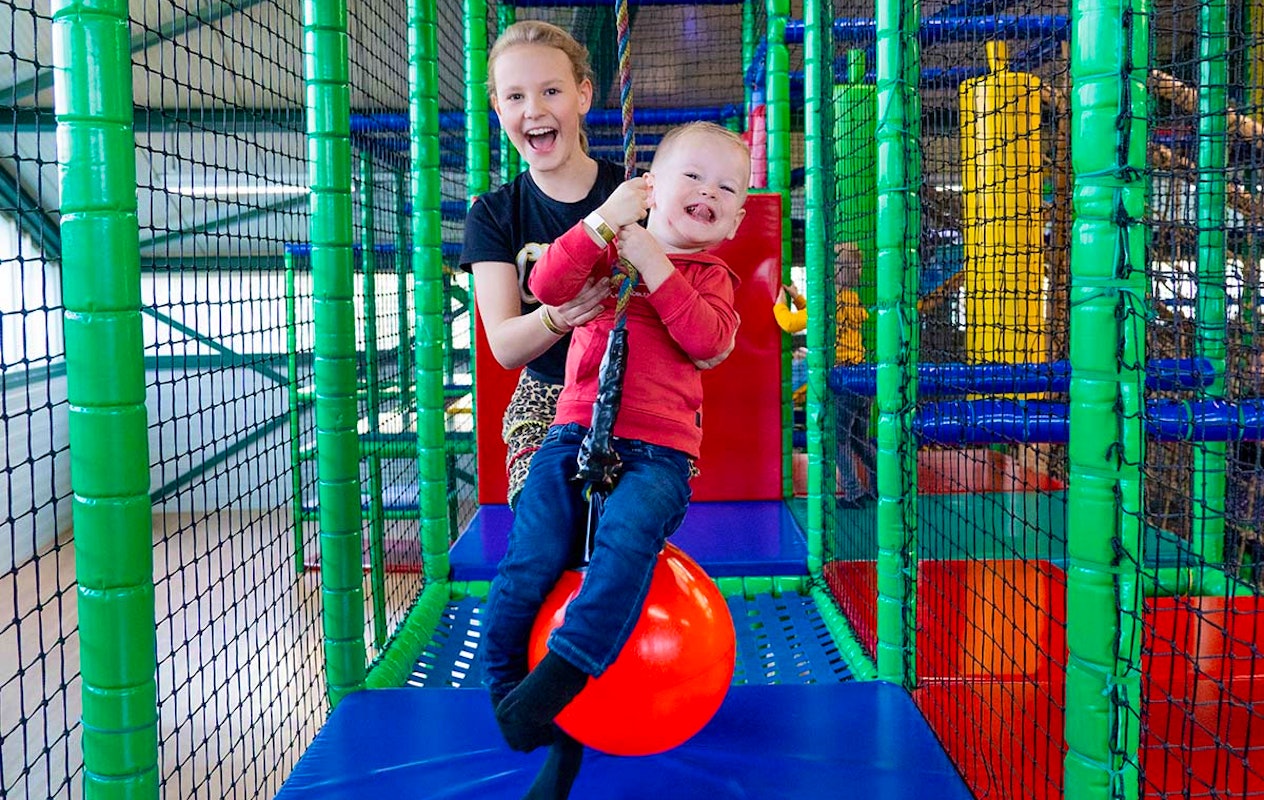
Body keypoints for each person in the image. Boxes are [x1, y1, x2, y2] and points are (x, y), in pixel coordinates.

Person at [482, 121, 750, 798]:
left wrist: (656, 263)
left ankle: (568, 668)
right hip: (574, 435)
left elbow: (706, 340)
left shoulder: (713, 279)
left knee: (626, 540)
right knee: (534, 550)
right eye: (692, 177)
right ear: (651, 188)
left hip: (658, 456)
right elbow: (545, 282)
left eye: (726, 189)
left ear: (737, 218)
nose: (707, 193)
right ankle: (513, 689)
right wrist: (602, 224)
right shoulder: (607, 253)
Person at [459, 20, 623, 509]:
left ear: (583, 96)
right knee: (545, 519)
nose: (533, 110)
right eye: (514, 97)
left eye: (551, 90)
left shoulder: (630, 194)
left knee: (627, 523)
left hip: (627, 389)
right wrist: (561, 315)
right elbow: (507, 346)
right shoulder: (493, 215)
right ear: (499, 109)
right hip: (546, 393)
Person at [773, 242, 875, 506]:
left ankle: (853, 493)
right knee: (860, 440)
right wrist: (797, 298)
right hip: (864, 379)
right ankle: (879, 488)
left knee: (838, 439)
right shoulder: (850, 298)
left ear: (834, 271)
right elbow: (820, 316)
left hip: (843, 381)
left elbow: (791, 324)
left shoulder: (829, 300)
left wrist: (779, 305)